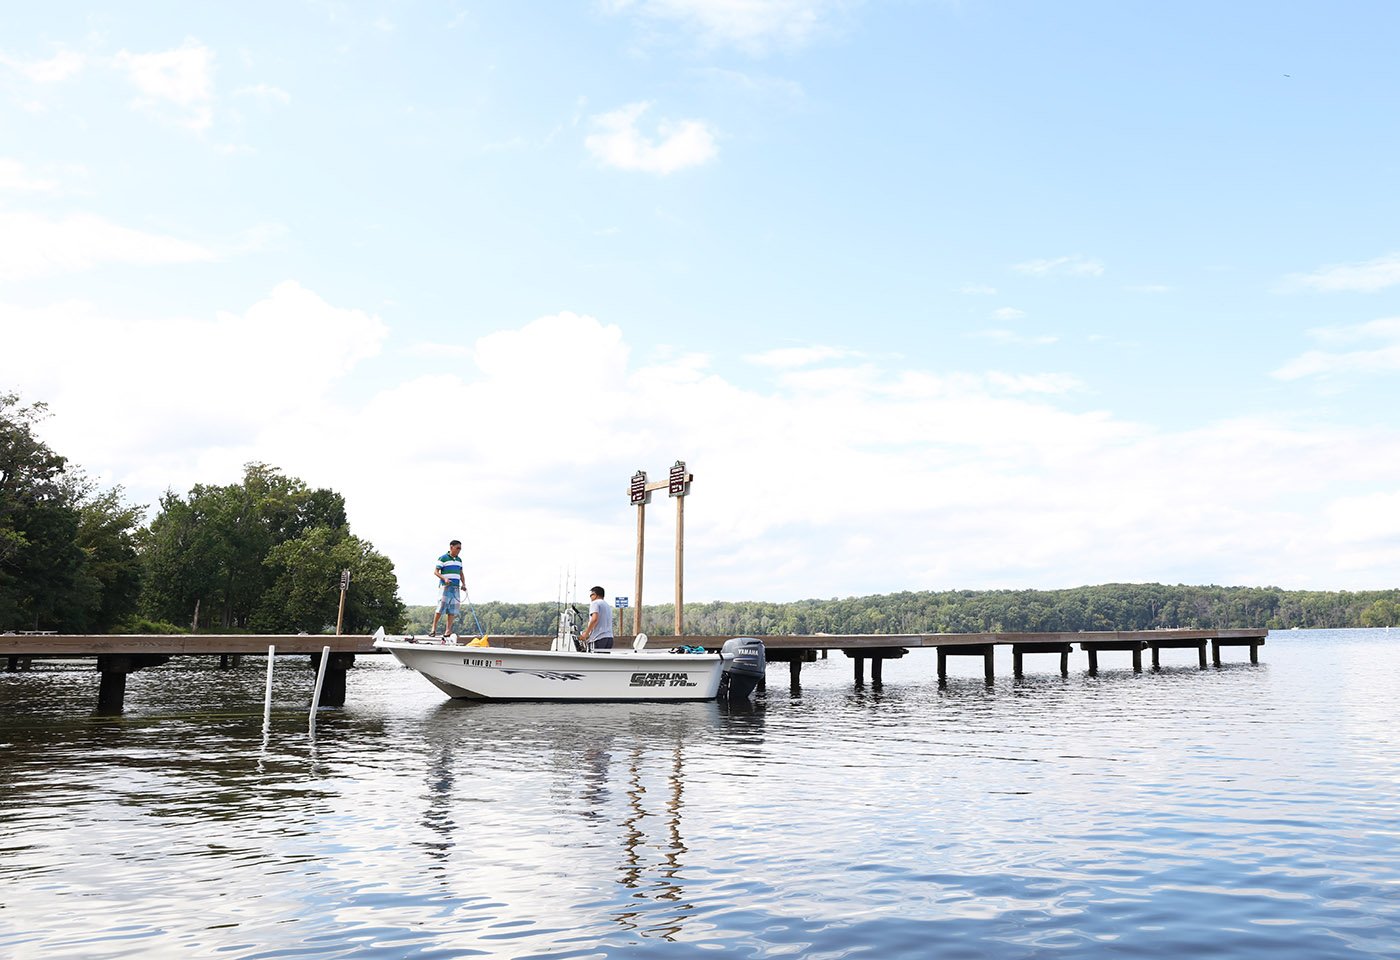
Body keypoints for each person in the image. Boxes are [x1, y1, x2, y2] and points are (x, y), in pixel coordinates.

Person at [430, 540, 466, 637]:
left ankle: (448, 631)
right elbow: (436, 572)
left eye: (460, 549)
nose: (459, 550)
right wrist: (444, 578)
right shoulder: (443, 558)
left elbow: (461, 573)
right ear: (451, 547)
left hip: (456, 587)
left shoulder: (459, 560)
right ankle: (433, 629)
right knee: (440, 607)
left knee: (452, 610)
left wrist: (464, 584)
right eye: (457, 548)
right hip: (445, 586)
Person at [579, 585, 614, 653]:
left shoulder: (595, 603)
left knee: (595, 662)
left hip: (599, 638)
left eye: (591, 595)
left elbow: (594, 619)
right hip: (609, 638)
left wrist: (586, 633)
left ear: (595, 595)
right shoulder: (607, 605)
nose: (590, 597)